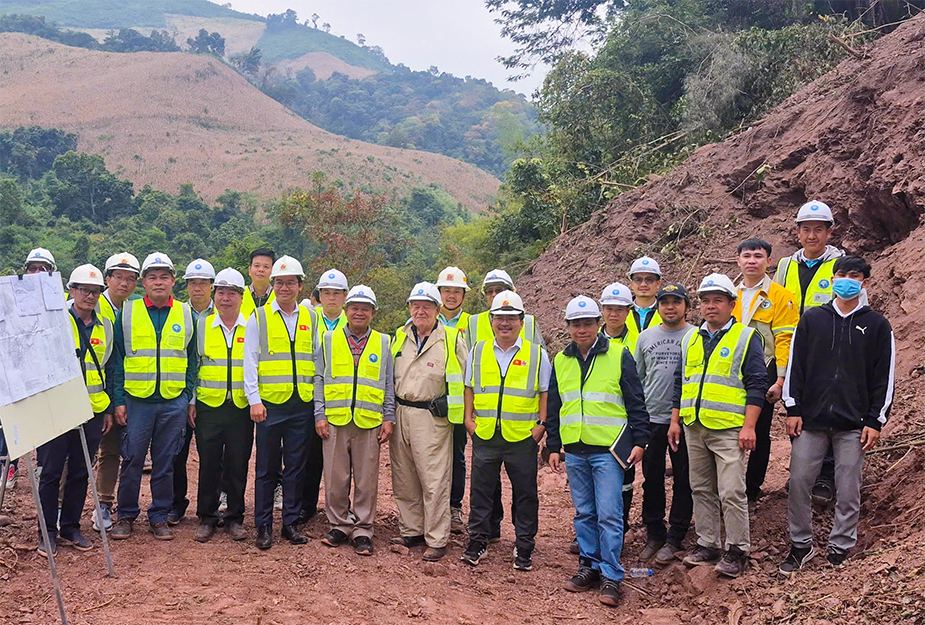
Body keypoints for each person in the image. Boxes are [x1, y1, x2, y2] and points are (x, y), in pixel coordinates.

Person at [779, 256, 894, 574]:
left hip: (853, 425)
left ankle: (840, 546)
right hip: (811, 421)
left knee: (847, 487)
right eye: (840, 274)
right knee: (799, 482)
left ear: (864, 282)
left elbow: (884, 375)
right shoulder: (813, 319)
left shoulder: (877, 325)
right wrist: (793, 408)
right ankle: (800, 545)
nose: (846, 280)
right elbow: (795, 366)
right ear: (832, 278)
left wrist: (875, 420)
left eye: (853, 275)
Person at [546, 296, 650, 606]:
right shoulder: (560, 360)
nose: (582, 329)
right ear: (568, 327)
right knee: (585, 513)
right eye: (576, 324)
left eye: (588, 323)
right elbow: (555, 405)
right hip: (575, 450)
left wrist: (640, 441)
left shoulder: (619, 355)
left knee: (609, 513)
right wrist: (553, 445)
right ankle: (588, 567)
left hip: (608, 450)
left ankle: (611, 576)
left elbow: (635, 401)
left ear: (598, 325)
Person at [668, 273, 767, 578]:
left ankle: (737, 549)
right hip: (694, 426)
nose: (711, 306)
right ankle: (708, 543)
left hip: (728, 429)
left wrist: (749, 426)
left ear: (731, 304)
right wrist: (675, 420)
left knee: (732, 490)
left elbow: (757, 383)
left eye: (718, 301)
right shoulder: (691, 338)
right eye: (706, 301)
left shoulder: (746, 337)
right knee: (700, 487)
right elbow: (680, 382)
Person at [110, 253, 197, 541]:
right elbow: (118, 360)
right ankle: (125, 515)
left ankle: (159, 515)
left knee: (165, 462)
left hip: (173, 401)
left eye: (164, 276)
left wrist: (187, 397)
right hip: (137, 401)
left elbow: (192, 360)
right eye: (152, 277)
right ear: (143, 282)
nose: (158, 282)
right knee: (132, 458)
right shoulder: (128, 313)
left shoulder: (186, 314)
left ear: (173, 281)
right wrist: (119, 399)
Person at [461, 290, 550, 572]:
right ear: (492, 320)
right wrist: (468, 420)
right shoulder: (478, 350)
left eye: (511, 318)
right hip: (485, 433)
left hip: (522, 436)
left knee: (525, 493)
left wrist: (542, 424)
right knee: (481, 491)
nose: (505, 323)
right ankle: (478, 540)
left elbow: (545, 392)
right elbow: (469, 387)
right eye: (500, 317)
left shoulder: (537, 354)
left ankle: (524, 546)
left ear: (522, 322)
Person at [36, 265, 113, 556]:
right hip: (57, 409)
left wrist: (106, 408)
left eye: (95, 292)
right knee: (52, 471)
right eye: (85, 290)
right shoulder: (55, 321)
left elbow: (108, 368)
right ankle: (47, 532)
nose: (90, 296)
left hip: (92, 409)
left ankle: (70, 527)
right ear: (71, 290)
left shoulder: (105, 325)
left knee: (82, 471)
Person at [244, 255, 319, 550]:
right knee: (266, 468)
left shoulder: (312, 318)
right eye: (279, 282)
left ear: (300, 286)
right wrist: (254, 400)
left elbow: (317, 360)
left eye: (290, 282)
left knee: (296, 467)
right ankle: (263, 526)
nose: (284, 287)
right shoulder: (258, 317)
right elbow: (249, 361)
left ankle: (290, 523)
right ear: (272, 285)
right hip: (270, 406)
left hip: (302, 404)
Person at [773, 201, 845, 505]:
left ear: (829, 232)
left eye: (818, 229)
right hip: (792, 350)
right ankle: (803, 471)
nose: (812, 235)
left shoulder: (841, 265)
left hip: (830, 352)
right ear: (797, 232)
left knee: (827, 410)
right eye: (806, 229)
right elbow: (774, 304)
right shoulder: (786, 265)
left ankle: (826, 475)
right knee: (796, 408)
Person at [390, 283, 467, 562]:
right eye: (415, 305)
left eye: (427, 306)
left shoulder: (450, 338)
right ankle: (411, 530)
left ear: (438, 309)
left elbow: (465, 380)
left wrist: (456, 413)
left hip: (432, 416)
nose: (420, 310)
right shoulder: (399, 336)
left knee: (434, 478)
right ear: (409, 307)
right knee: (404, 475)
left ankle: (437, 537)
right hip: (401, 412)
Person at [315, 285, 394, 556]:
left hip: (369, 420)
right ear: (346, 311)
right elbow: (319, 378)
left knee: (366, 479)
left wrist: (388, 417)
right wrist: (319, 414)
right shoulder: (327, 339)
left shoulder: (384, 342)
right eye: (355, 308)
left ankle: (363, 529)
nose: (359, 312)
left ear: (373, 313)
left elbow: (388, 383)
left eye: (365, 308)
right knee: (336, 477)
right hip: (335, 419)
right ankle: (339, 525)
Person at [732, 239, 798, 504]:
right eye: (746, 256)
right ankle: (730, 487)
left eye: (758, 256)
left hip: (765, 370)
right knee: (729, 430)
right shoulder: (729, 294)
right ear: (738, 260)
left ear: (768, 261)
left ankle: (751, 489)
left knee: (759, 430)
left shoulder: (781, 297)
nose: (751, 261)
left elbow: (785, 340)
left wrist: (780, 380)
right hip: (730, 371)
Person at [191, 268, 253, 543]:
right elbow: (194, 367)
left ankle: (235, 517)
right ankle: (207, 517)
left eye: (231, 293)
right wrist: (191, 402)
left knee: (238, 463)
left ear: (241, 297)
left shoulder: (252, 327)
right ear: (215, 295)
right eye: (221, 292)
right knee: (209, 464)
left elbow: (256, 369)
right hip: (208, 407)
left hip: (240, 407)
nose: (225, 298)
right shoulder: (202, 327)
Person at [636, 283, 694, 566]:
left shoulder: (696, 336)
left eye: (676, 301)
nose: (670, 307)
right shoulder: (645, 337)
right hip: (652, 419)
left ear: (686, 305)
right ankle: (655, 532)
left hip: (686, 422)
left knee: (684, 479)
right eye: (664, 302)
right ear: (657, 306)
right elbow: (639, 378)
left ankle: (677, 535)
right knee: (652, 479)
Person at [1, 248, 58, 491]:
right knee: (10, 422)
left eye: (42, 269)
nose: (36, 273)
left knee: (45, 421)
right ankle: (7, 466)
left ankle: (41, 466)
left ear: (51, 273)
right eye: (32, 268)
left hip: (46, 372)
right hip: (15, 372)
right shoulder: (9, 298)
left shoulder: (58, 303)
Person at [92, 252, 140, 532]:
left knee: (120, 450)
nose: (124, 283)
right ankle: (83, 505)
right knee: (99, 451)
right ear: (107, 278)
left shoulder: (133, 310)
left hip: (128, 393)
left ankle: (107, 504)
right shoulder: (95, 306)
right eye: (118, 277)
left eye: (130, 278)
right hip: (98, 393)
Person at [169, 258, 216, 526]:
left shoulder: (222, 314)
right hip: (183, 395)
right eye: (192, 283)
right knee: (177, 453)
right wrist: (188, 398)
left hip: (211, 395)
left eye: (203, 283)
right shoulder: (179, 313)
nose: (197, 288)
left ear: (211, 286)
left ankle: (210, 507)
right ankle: (177, 503)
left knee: (211, 455)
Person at [299, 268, 349, 523]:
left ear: (345, 296)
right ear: (319, 295)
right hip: (309, 395)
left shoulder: (351, 322)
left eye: (336, 293)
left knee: (341, 459)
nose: (331, 298)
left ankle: (340, 507)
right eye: (326, 293)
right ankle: (305, 505)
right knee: (308, 456)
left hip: (341, 400)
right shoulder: (307, 318)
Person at [599, 281, 639, 526]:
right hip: (593, 422)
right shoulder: (588, 338)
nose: (614, 314)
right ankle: (592, 528)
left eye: (620, 309)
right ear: (602, 310)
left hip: (625, 422)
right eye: (609, 308)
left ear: (628, 311)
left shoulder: (638, 341)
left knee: (625, 477)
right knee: (593, 478)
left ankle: (619, 526)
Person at [436, 266, 472, 535]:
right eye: (446, 290)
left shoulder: (473, 324)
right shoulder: (423, 318)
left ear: (463, 295)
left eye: (455, 291)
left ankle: (454, 506)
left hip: (460, 403)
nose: (450, 295)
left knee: (456, 456)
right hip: (431, 400)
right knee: (430, 456)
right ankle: (431, 507)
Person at [626, 256, 663, 342]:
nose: (643, 284)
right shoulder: (622, 311)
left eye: (649, 280)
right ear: (631, 284)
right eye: (638, 280)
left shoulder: (666, 311)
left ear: (658, 284)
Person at [240, 248, 276, 320]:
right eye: (257, 266)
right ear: (250, 270)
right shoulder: (239, 295)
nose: (261, 270)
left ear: (273, 271)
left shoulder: (279, 297)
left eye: (266, 267)